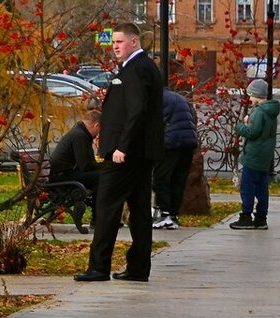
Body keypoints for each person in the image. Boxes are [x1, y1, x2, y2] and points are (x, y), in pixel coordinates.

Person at [73, 23, 164, 283]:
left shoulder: (137, 69)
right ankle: (137, 268)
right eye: (113, 42)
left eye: (120, 41)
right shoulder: (138, 67)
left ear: (134, 42)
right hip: (139, 153)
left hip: (126, 153)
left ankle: (98, 268)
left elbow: (137, 112)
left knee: (106, 206)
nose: (115, 46)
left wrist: (122, 146)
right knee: (138, 209)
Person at [229, 78, 280, 230]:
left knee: (248, 187)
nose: (250, 99)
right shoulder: (271, 111)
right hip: (264, 157)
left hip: (253, 155)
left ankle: (246, 216)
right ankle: (261, 218)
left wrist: (241, 126)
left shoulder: (259, 112)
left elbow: (252, 133)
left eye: (251, 95)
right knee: (262, 188)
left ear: (258, 96)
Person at [46, 108, 102, 228]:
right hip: (61, 178)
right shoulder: (80, 136)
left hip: (62, 175)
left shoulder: (80, 133)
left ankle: (99, 218)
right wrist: (105, 166)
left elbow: (86, 164)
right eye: (100, 130)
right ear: (96, 125)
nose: (98, 134)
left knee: (101, 175)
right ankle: (98, 219)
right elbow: (85, 165)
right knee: (101, 177)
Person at [152, 88, 198, 230]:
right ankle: (173, 215)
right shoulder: (179, 97)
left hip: (171, 142)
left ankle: (164, 214)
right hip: (189, 141)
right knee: (178, 180)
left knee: (161, 178)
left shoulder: (155, 98)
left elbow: (153, 123)